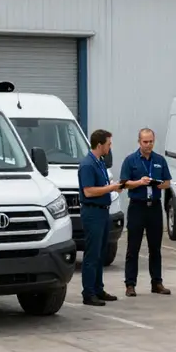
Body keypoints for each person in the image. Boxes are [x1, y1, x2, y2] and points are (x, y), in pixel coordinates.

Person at [119, 128, 172, 297]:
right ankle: (130, 284)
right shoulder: (131, 160)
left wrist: (159, 184)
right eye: (145, 142)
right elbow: (124, 183)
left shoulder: (159, 160)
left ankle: (157, 282)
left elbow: (167, 182)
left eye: (151, 142)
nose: (148, 145)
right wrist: (139, 182)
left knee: (155, 247)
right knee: (133, 247)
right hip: (137, 206)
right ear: (139, 142)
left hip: (154, 207)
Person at [78, 129, 122, 306]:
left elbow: (102, 185)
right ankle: (88, 292)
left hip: (103, 211)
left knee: (101, 252)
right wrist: (110, 188)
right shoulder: (88, 164)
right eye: (108, 144)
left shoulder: (100, 163)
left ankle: (98, 288)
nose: (110, 147)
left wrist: (114, 186)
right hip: (92, 212)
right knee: (92, 253)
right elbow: (88, 191)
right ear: (100, 144)